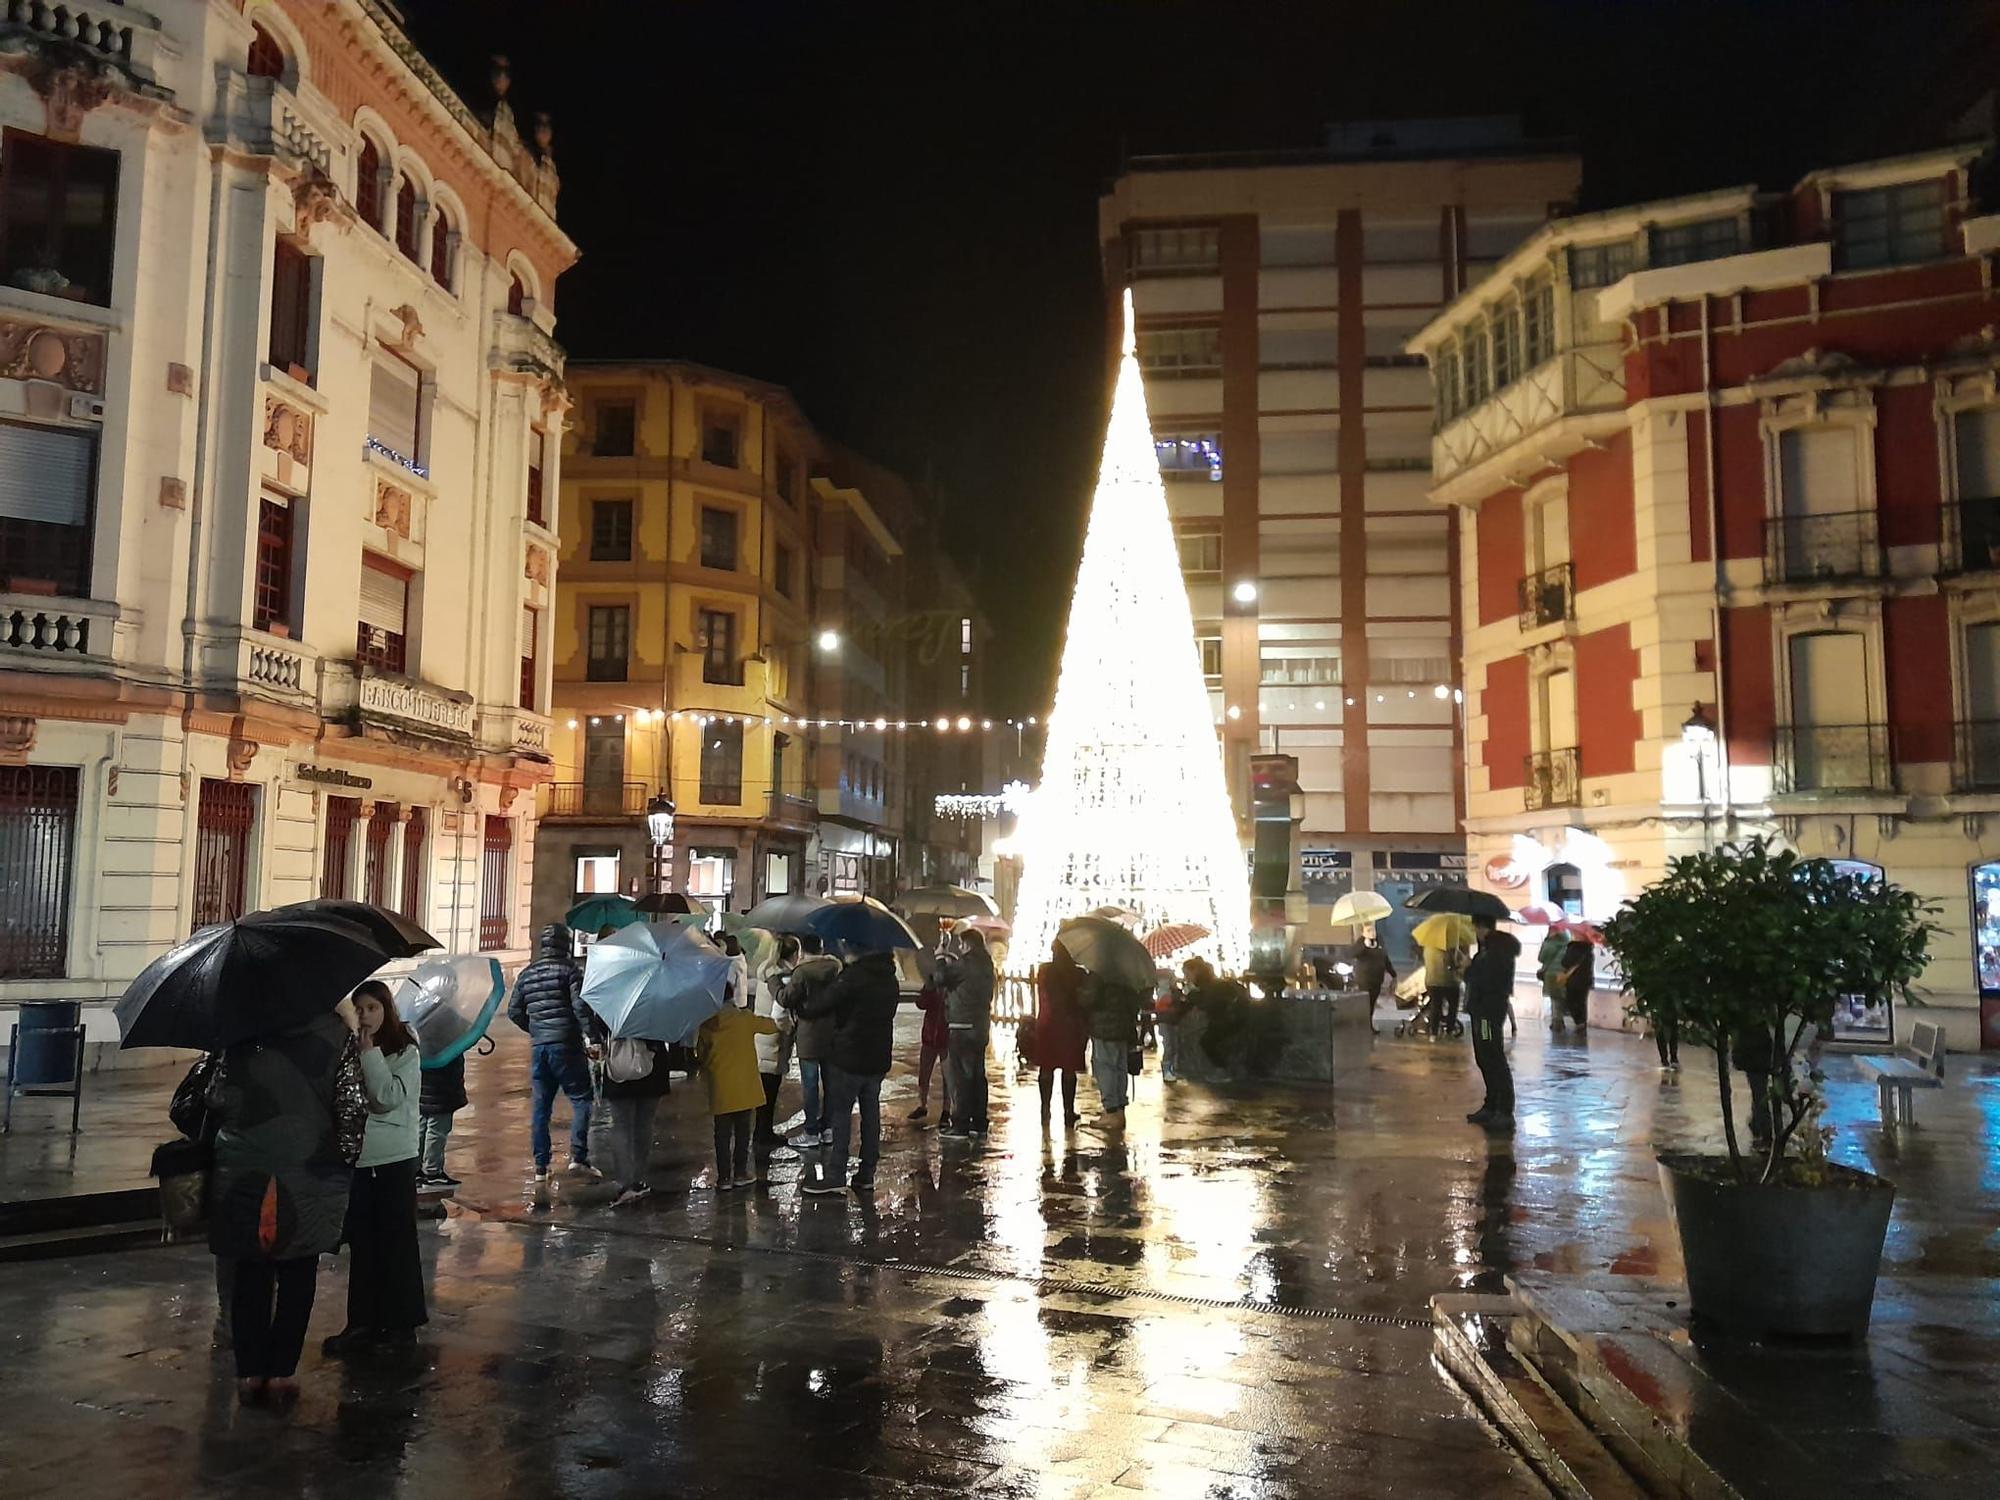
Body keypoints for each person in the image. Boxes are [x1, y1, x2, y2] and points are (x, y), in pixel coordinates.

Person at [209, 996, 359, 1405]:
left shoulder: (237, 1029)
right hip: (311, 1168)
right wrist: (342, 1159)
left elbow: (214, 1097)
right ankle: (280, 1372)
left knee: (249, 1272)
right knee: (298, 1271)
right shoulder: (336, 1032)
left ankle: (250, 1371)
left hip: (244, 1168)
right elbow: (352, 1107)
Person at [324, 980, 427, 1355]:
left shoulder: (405, 1052)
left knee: (396, 1242)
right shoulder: (349, 1049)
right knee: (363, 1244)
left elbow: (387, 1099)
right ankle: (362, 1322)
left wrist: (369, 1055)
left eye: (373, 1008)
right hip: (359, 1159)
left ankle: (401, 1323)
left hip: (393, 1160)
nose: (366, 1016)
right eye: (360, 1009)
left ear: (387, 1010)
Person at [798, 947, 901, 1194]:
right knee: (871, 1113)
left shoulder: (853, 976)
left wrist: (805, 1002)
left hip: (850, 1055)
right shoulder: (890, 978)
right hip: (877, 1057)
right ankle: (867, 1173)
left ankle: (835, 1175)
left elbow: (821, 1004)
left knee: (841, 1114)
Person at [507, 922, 596, 1181]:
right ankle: (578, 1157)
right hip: (567, 1044)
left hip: (540, 1047)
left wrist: (536, 1030)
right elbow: (580, 1007)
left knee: (541, 1107)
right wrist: (593, 1036)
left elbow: (514, 1012)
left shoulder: (526, 974)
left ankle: (541, 1166)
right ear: (565, 944)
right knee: (581, 1098)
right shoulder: (570, 970)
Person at [698, 1001, 776, 1190]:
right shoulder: (744, 1018)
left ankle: (724, 1178)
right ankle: (740, 1173)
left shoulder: (707, 1024)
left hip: (721, 1086)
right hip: (744, 1085)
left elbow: (700, 1054)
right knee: (743, 1132)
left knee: (722, 1134)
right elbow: (771, 1026)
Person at [782, 935, 841, 1148]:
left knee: (810, 1085)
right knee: (831, 1084)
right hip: (833, 1033)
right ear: (822, 946)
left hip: (809, 1035)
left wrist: (775, 985)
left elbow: (787, 998)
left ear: (803, 951)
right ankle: (828, 1128)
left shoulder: (801, 972)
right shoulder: (835, 967)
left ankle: (811, 1131)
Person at [937, 928, 996, 1139]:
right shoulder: (987, 963)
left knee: (960, 1076)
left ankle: (960, 1123)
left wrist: (940, 957)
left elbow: (939, 978)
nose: (960, 949)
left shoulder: (967, 963)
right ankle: (979, 1122)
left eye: (961, 945)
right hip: (980, 1026)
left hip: (961, 1026)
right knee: (977, 1075)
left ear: (968, 945)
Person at [1463, 916, 1521, 1128]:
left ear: (1481, 927)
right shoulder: (1490, 950)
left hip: (1487, 1015)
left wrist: (1469, 968)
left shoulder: (1496, 953)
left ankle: (1502, 1109)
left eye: (1475, 927)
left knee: (1491, 1054)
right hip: (1482, 1011)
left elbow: (1486, 980)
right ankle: (1491, 1105)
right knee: (1484, 1056)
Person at [753, 934, 799, 1157]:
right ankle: (763, 1134)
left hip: (761, 1037)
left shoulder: (766, 970)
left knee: (764, 1090)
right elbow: (780, 1012)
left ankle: (761, 1131)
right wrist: (790, 1028)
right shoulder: (783, 977)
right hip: (774, 1040)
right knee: (769, 1091)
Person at [1035, 941, 1089, 1123]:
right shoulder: (1079, 974)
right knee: (1068, 1070)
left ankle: (1044, 1109)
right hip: (1070, 1026)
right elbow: (1083, 1000)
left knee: (1046, 1069)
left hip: (1048, 1024)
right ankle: (1068, 1111)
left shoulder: (1045, 971)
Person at [1085, 971, 1142, 1123]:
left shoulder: (1098, 975)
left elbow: (1089, 999)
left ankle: (1110, 1111)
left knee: (1105, 1068)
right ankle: (1120, 1110)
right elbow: (1136, 1002)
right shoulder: (1127, 976)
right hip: (1123, 1028)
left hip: (1104, 1028)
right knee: (1120, 1068)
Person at [416, 1050, 465, 1189]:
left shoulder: (419, 1032)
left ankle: (415, 1169)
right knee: (437, 1130)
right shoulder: (450, 1036)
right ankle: (433, 1172)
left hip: (423, 1088)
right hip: (442, 1091)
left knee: (421, 1126)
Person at [908, 973, 951, 1124]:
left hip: (946, 1037)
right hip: (929, 1036)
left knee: (948, 1076)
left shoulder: (953, 984)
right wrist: (929, 989)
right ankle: (922, 1104)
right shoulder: (931, 984)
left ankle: (947, 1109)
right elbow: (921, 1003)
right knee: (924, 1072)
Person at [1422, 936, 1466, 1033]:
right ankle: (1449, 1030)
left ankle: (1433, 1032)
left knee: (1435, 1006)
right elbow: (1455, 963)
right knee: (1453, 1006)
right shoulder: (1450, 948)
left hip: (1431, 981)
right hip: (1448, 982)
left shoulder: (1428, 948)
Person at [1537, 928, 1571, 1033]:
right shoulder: (1568, 943)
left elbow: (1541, 958)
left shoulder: (1550, 943)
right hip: (1564, 974)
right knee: (1561, 997)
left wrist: (1546, 942)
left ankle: (1557, 1021)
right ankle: (1559, 1020)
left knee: (1554, 998)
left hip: (1551, 973)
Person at [1348, 932, 1395, 1009]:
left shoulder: (1379, 941)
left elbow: (1385, 958)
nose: (1372, 932)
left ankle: (1369, 1019)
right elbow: (1353, 954)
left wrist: (1393, 973)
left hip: (1377, 979)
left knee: (1372, 1003)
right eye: (1368, 930)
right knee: (1365, 1002)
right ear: (1364, 932)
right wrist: (1365, 946)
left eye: (1373, 930)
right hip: (1365, 979)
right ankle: (1365, 1019)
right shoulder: (1361, 941)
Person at [1558, 937, 1594, 1034]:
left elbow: (1564, 962)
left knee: (1571, 1001)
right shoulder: (1589, 951)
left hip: (1573, 980)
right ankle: (1582, 1022)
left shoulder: (1572, 949)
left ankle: (1579, 1021)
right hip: (1585, 980)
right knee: (1582, 1001)